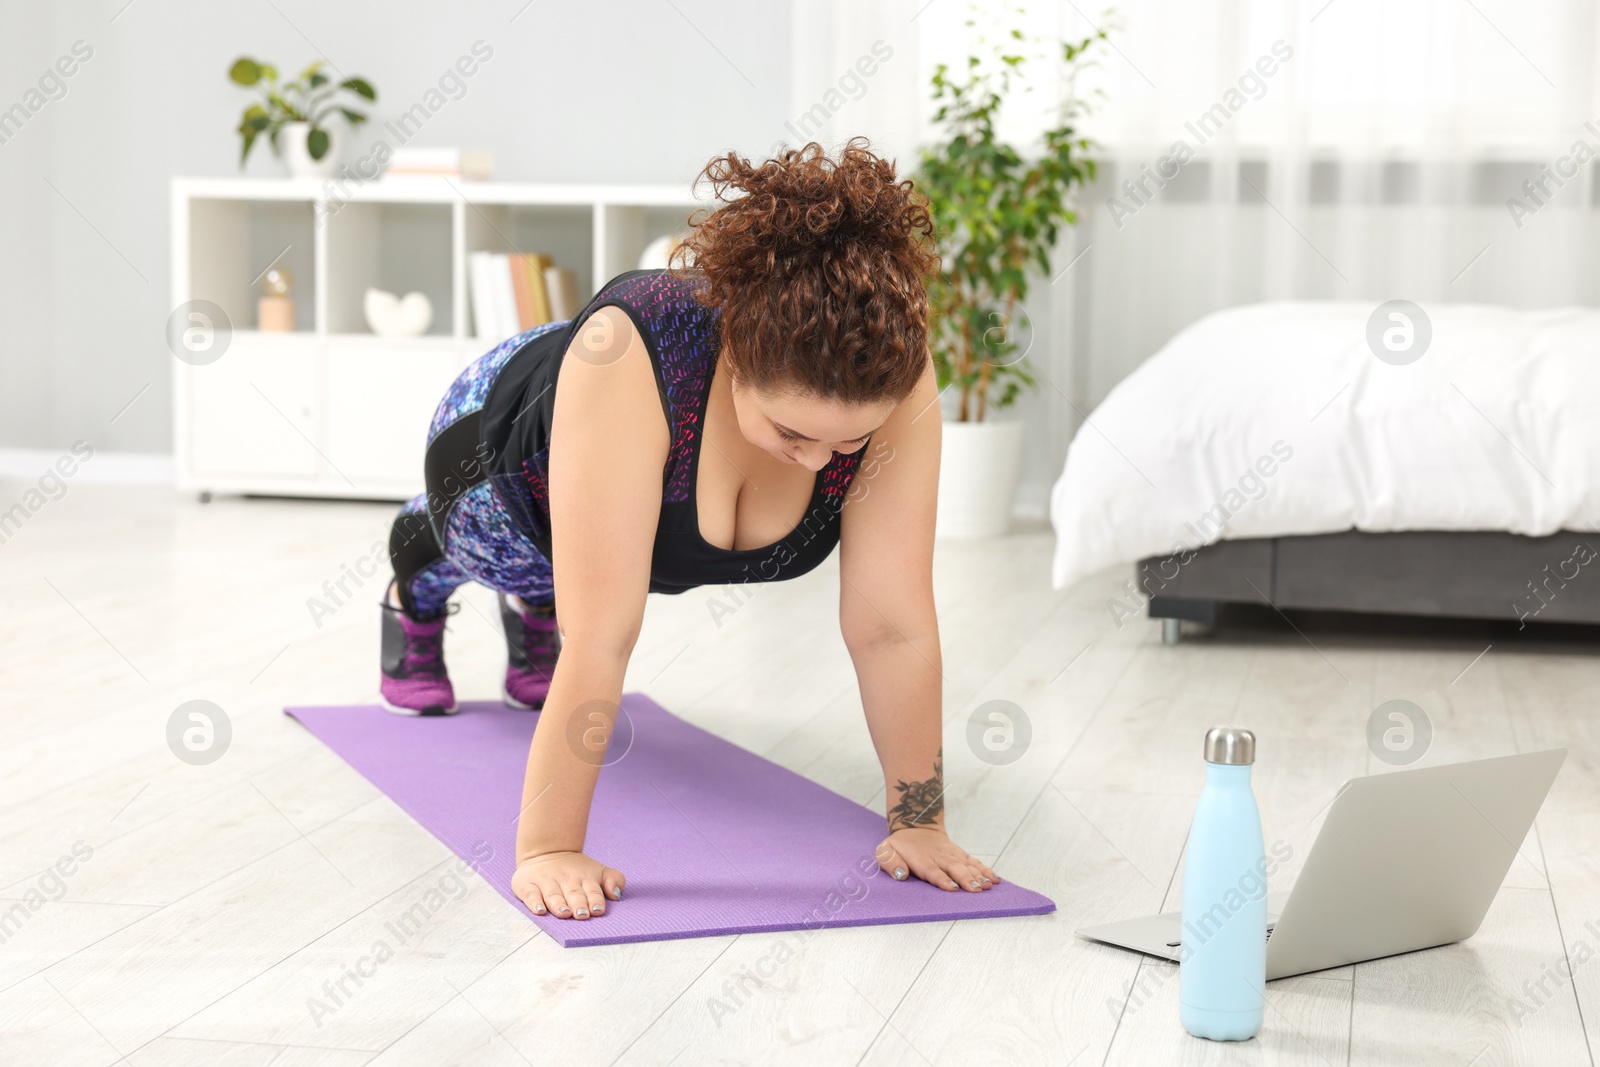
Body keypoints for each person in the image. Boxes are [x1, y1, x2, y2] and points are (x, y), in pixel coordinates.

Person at [380, 139, 1000, 921]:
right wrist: (548, 847)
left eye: (846, 446)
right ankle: (416, 588)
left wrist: (920, 821)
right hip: (494, 464)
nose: (819, 465)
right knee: (494, 559)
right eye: (792, 434)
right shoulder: (636, 345)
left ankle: (536, 607)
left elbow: (892, 626)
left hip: (632, 521)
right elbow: (602, 636)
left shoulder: (893, 373)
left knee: (580, 584)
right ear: (734, 352)